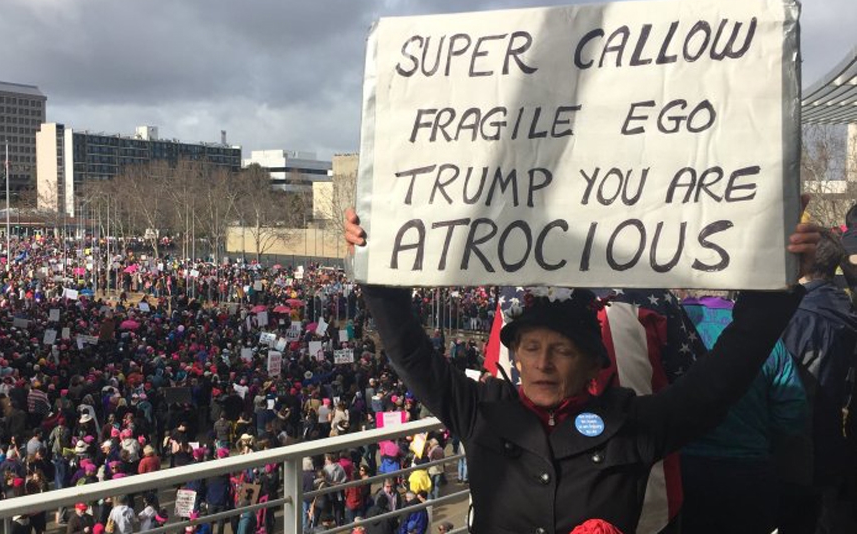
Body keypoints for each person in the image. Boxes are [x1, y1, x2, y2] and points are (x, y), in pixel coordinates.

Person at [344, 207, 818, 533]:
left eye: (561, 351)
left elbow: (722, 379)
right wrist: (378, 259)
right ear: (516, 356)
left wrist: (776, 277)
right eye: (530, 348)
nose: (543, 363)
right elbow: (409, 353)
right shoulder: (480, 412)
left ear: (594, 362)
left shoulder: (632, 426)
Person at [679, 291, 808, 534]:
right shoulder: (766, 340)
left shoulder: (664, 324)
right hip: (749, 475)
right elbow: (793, 410)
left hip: (681, 471)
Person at [779, 228, 857, 533]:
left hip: (800, 453)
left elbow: (789, 389)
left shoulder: (800, 317)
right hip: (831, 448)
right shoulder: (841, 307)